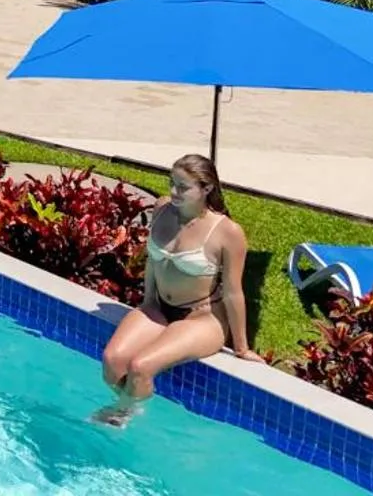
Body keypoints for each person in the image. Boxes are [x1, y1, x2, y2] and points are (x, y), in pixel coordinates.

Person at [96, 153, 263, 426]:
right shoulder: (162, 209)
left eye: (183, 187)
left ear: (206, 189)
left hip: (201, 317)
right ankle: (132, 407)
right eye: (172, 183)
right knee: (112, 361)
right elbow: (153, 260)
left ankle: (124, 418)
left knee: (141, 367)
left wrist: (242, 348)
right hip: (159, 307)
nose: (173, 192)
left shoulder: (227, 232)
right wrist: (148, 302)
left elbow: (233, 292)